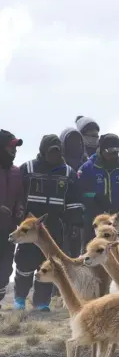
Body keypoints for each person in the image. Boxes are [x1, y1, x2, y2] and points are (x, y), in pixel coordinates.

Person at [13, 135, 84, 311]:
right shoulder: (28, 169)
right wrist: (21, 215)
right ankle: (20, 298)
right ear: (43, 151)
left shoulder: (68, 173)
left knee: (49, 263)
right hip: (30, 227)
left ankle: (42, 302)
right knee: (24, 262)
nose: (55, 155)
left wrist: (75, 224)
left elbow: (74, 201)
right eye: (51, 152)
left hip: (54, 227)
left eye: (58, 152)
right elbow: (17, 195)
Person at [77, 134, 119, 247]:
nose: (113, 155)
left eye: (116, 152)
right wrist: (94, 196)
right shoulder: (87, 168)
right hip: (93, 219)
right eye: (110, 151)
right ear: (101, 149)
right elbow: (78, 193)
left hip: (116, 219)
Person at [0, 131, 25, 309]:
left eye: (15, 147)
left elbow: (20, 198)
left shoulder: (17, 172)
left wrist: (19, 212)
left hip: (8, 230)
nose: (14, 150)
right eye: (11, 147)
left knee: (5, 270)